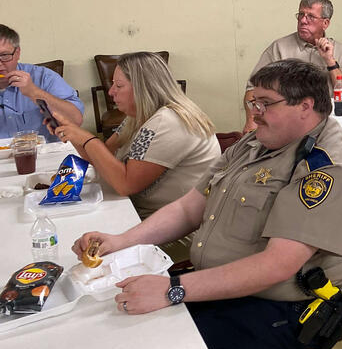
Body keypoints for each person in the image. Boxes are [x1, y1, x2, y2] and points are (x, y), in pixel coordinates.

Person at [72, 59, 342, 349]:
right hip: (226, 285)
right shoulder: (257, 142)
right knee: (118, 347)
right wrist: (120, 241)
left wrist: (173, 290)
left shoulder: (329, 165)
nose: (254, 113)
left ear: (306, 106)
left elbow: (277, 266)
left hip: (291, 305)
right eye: (253, 102)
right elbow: (191, 205)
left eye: (265, 103)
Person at [52, 52, 220, 260]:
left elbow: (125, 184)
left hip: (179, 229)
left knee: (78, 250)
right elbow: (100, 158)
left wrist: (87, 139)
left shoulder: (168, 121)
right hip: (145, 215)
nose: (111, 92)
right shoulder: (140, 116)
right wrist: (71, 133)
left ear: (143, 87)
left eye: (119, 86)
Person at [243, 0, 342, 133]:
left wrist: (330, 61)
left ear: (325, 23)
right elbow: (252, 89)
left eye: (311, 16)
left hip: (330, 124)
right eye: (301, 14)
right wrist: (251, 122)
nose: (303, 20)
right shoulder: (279, 48)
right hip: (287, 125)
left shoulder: (340, 50)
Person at [0, 24, 84, 140]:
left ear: (17, 53)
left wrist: (34, 92)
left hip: (47, 154)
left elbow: (76, 120)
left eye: (4, 55)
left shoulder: (43, 77)